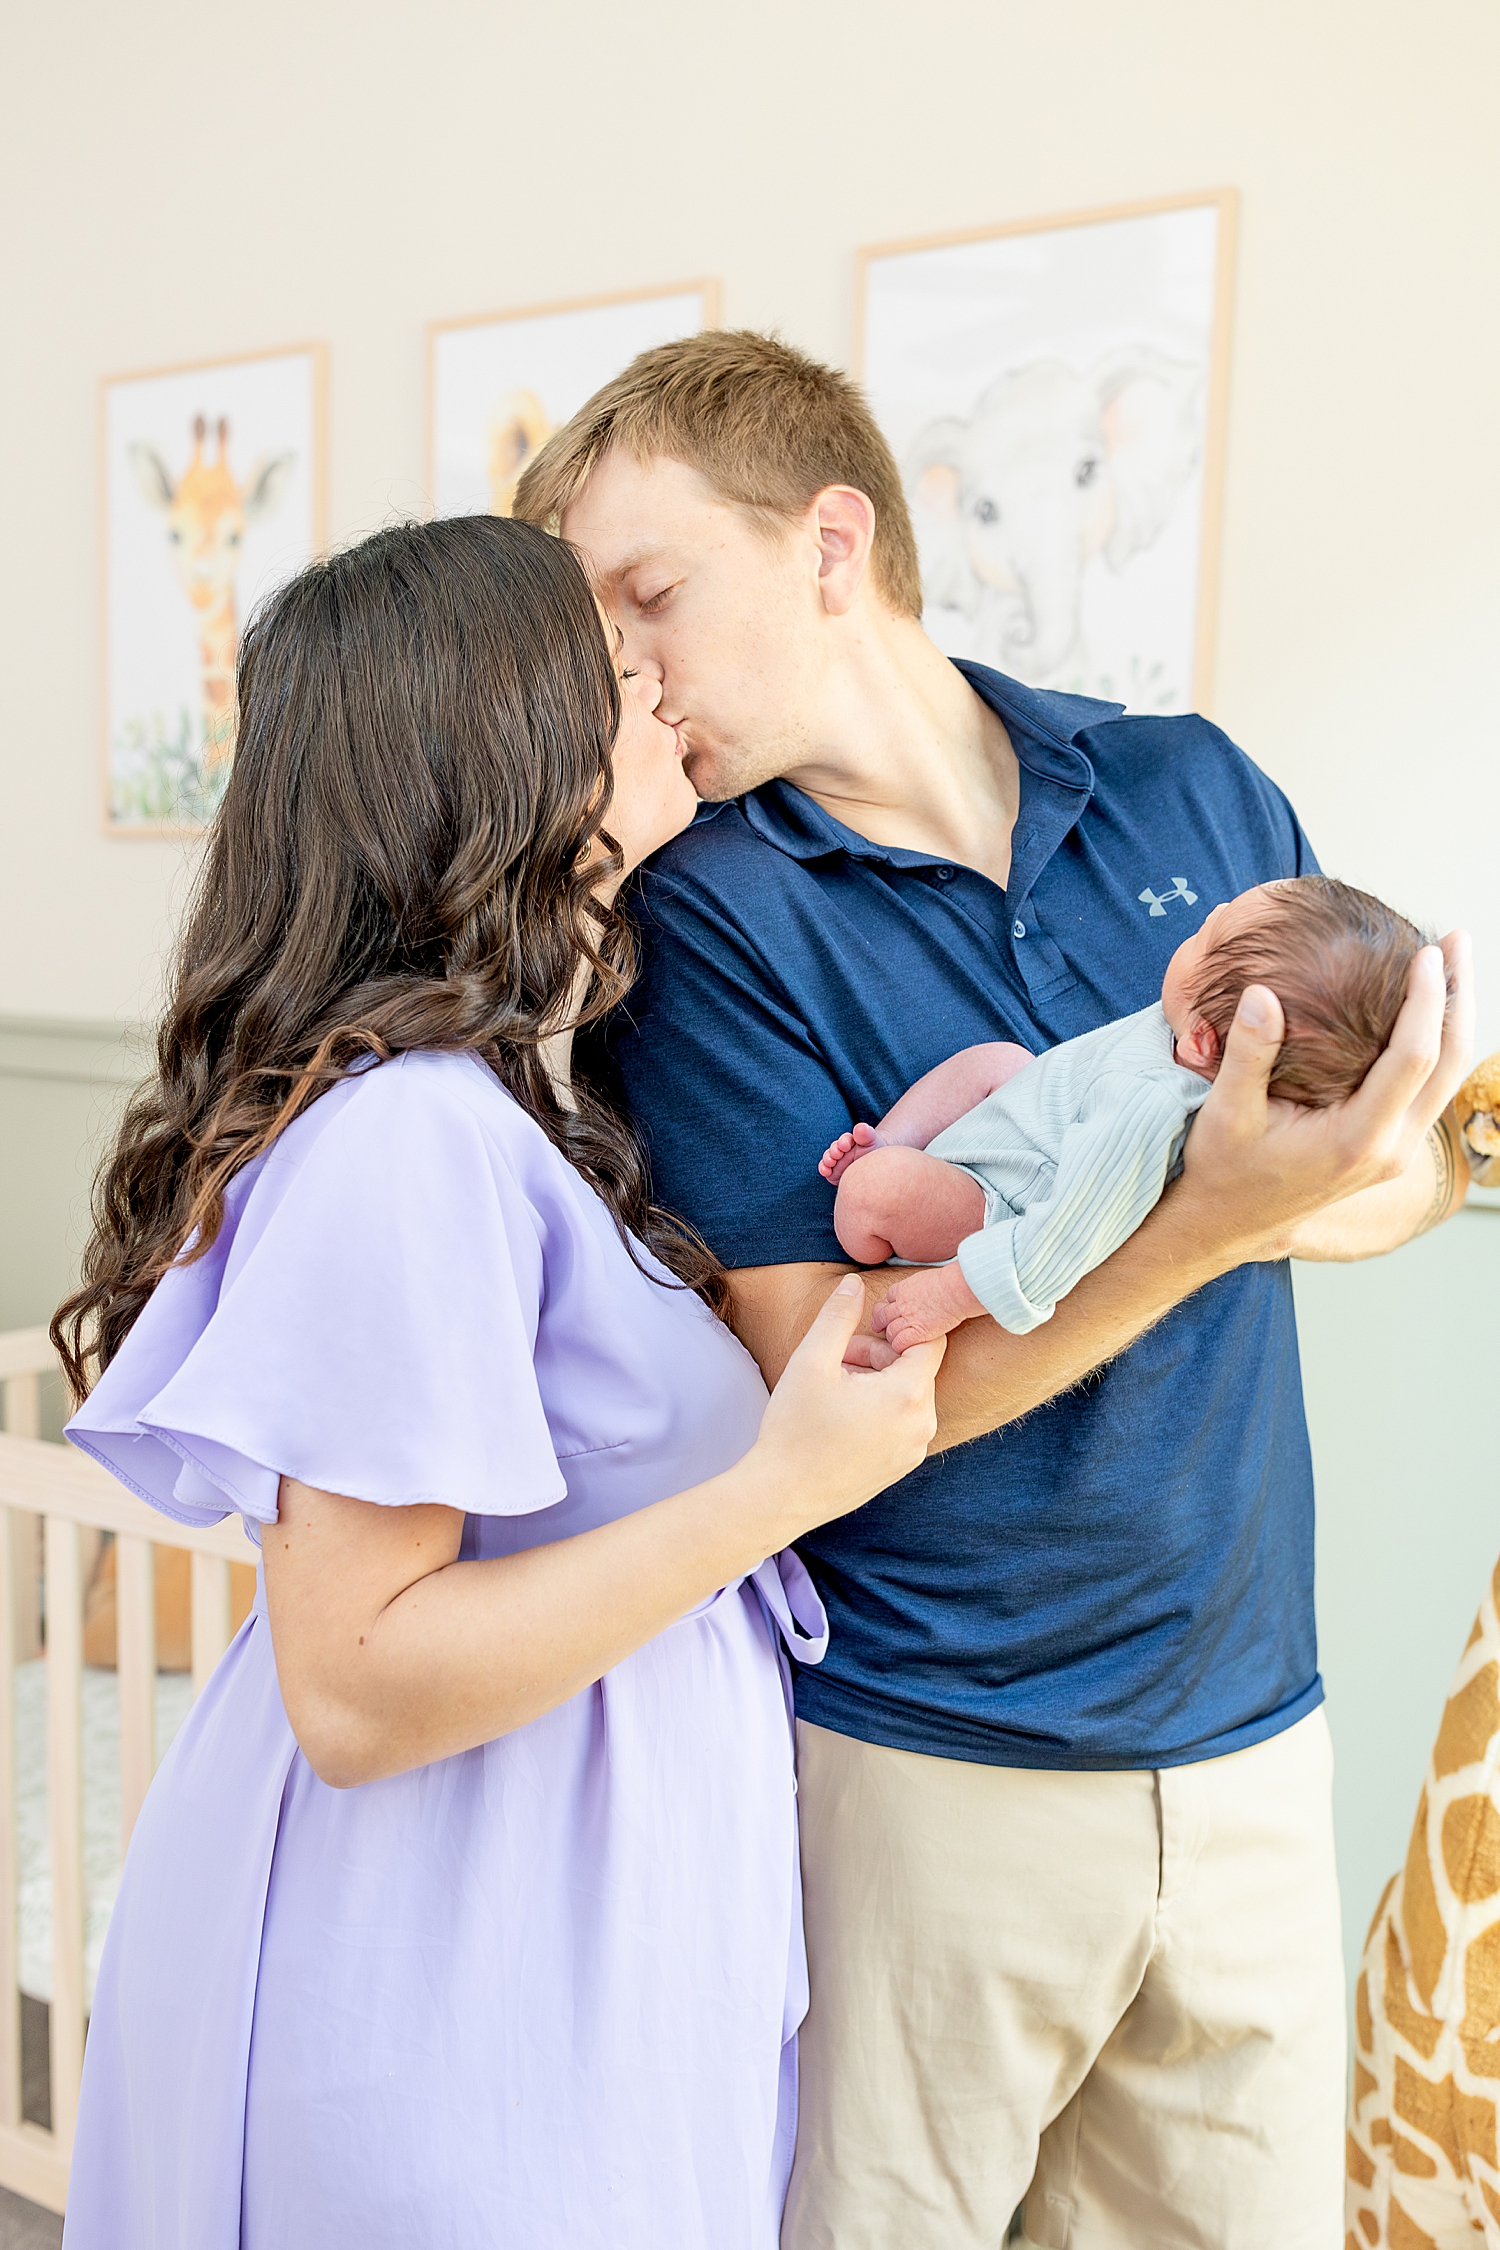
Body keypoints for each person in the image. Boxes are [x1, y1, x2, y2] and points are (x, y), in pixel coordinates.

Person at [513, 329, 1474, 2250]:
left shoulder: (1195, 793)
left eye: (649, 595)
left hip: (1254, 1746)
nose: (629, 673)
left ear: (831, 544)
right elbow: (845, 1396)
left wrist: (1272, 1195)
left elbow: (1420, 1176)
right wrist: (1206, 1215)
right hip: (925, 1772)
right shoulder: (703, 921)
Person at [51, 516, 943, 2250]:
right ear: (515, 739)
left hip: (556, 1929)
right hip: (447, 1964)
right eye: (620, 674)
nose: (662, 686)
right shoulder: (414, 1137)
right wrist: (781, 1491)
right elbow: (360, 1689)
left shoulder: (507, 1105)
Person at [822, 875, 1425, 1353]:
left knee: (873, 1189)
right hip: (1021, 1130)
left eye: (1208, 940)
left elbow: (1061, 1240)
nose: (1207, 915)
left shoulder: (1150, 1106)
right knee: (1000, 1060)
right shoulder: (1196, 1027)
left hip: (1001, 1206)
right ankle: (890, 1139)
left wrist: (949, 1296)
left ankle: (883, 1175)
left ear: (1205, 1045)